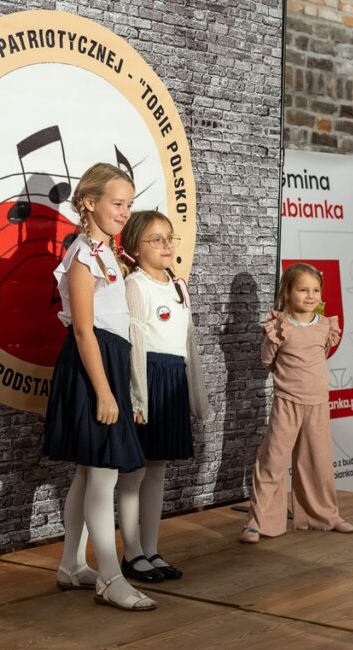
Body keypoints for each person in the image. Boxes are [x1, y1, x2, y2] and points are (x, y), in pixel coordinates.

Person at [42, 162, 156, 611]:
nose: (125, 212)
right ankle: (109, 576)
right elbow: (85, 331)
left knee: (89, 472)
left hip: (108, 361)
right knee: (103, 473)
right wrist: (107, 392)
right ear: (89, 202)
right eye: (117, 203)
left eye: (129, 204)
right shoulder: (82, 255)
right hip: (93, 366)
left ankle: (71, 564)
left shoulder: (106, 251)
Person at [117, 210, 210, 582]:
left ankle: (152, 550)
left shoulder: (179, 286)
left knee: (157, 470)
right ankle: (131, 553)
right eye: (155, 240)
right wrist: (139, 398)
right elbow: (136, 343)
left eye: (169, 237)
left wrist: (197, 398)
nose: (166, 245)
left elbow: (189, 345)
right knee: (134, 471)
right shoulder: (135, 285)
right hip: (148, 377)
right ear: (134, 248)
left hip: (173, 379)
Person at [239, 263, 353, 544]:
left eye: (315, 290)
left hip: (317, 403)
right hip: (287, 402)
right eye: (303, 289)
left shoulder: (325, 325)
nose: (310, 295)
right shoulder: (280, 326)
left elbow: (321, 355)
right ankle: (260, 521)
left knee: (318, 461)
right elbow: (267, 360)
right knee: (274, 460)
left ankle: (324, 515)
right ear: (288, 292)